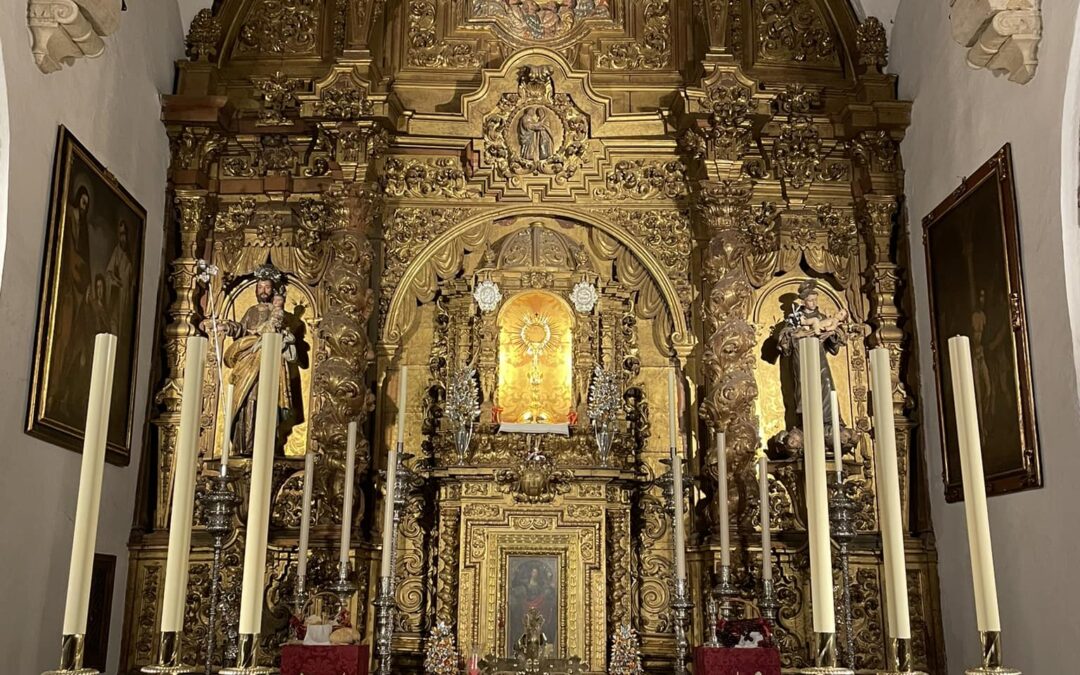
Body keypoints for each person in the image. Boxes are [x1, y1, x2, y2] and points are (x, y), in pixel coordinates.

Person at [210, 264, 303, 456]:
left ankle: (266, 445)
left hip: (268, 365)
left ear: (274, 290)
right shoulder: (252, 311)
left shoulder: (281, 314)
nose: (263, 291)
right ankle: (243, 445)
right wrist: (228, 327)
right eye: (260, 287)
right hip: (248, 360)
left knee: (265, 401)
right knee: (245, 401)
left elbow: (281, 333)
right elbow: (243, 330)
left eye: (267, 287)